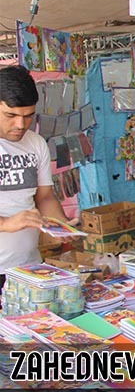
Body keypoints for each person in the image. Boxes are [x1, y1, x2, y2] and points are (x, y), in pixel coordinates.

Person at [0, 65, 76, 293]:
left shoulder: (36, 143)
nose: (20, 125)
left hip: (28, 266)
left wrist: (61, 225)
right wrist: (6, 223)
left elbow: (44, 198)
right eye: (11, 116)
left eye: (28, 116)